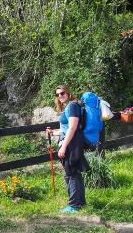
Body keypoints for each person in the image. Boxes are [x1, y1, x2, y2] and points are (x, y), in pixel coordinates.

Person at [46, 85, 89, 213]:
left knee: (71, 174)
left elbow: (72, 128)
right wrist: (54, 133)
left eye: (62, 93)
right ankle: (80, 202)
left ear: (68, 93)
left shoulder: (72, 106)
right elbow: (66, 129)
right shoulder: (69, 107)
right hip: (72, 142)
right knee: (74, 173)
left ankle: (74, 205)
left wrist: (63, 146)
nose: (60, 96)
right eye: (58, 94)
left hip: (71, 144)